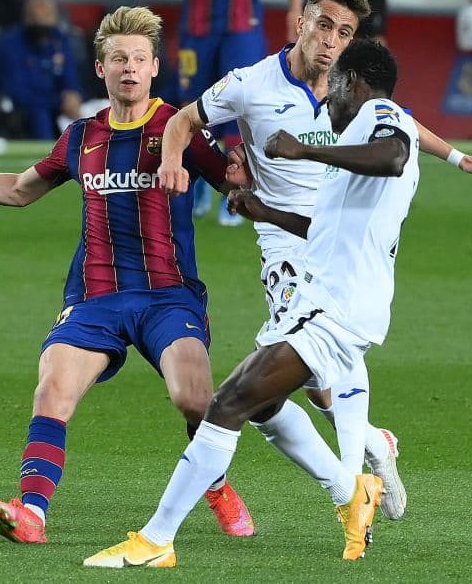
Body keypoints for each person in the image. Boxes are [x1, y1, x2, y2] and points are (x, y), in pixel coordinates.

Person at [153, 0, 472, 523]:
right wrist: (172, 161)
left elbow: (393, 121)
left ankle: (353, 479)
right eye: (324, 25)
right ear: (301, 21)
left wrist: (459, 157)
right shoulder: (252, 84)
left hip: (340, 232)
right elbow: (184, 120)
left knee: (292, 374)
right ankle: (368, 450)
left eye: (344, 32)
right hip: (284, 238)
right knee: (308, 380)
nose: (331, 40)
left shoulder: (348, 88)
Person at [0, 6, 255, 545]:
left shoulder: (178, 128)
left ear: (155, 67)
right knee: (53, 390)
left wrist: (248, 175)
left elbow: (237, 191)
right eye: (117, 59)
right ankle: (32, 511)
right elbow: (19, 189)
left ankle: (217, 486)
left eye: (138, 58)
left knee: (194, 402)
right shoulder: (80, 137)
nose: (128, 68)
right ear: (100, 69)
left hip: (168, 296)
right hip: (95, 297)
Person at [85, 38, 422, 567]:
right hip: (329, 298)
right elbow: (324, 227)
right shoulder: (354, 143)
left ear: (351, 83)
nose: (325, 101)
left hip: (334, 308)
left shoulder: (379, 115)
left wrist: (305, 149)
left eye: (332, 88)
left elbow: (395, 155)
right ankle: (350, 485)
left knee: (228, 404)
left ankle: (155, 541)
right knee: (261, 404)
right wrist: (266, 212)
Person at [167, 0, 301, 225]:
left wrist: (295, 1)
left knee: (244, 102)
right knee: (192, 106)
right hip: (196, 25)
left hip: (243, 25)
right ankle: (196, 182)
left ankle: (241, 188)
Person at [0, 0, 83, 140]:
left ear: (55, 17)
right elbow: (17, 90)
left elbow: (70, 76)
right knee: (40, 114)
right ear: (25, 17)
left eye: (46, 15)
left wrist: (72, 94)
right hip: (24, 106)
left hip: (56, 104)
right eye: (34, 16)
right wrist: (59, 100)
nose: (40, 21)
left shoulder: (60, 40)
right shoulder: (10, 44)